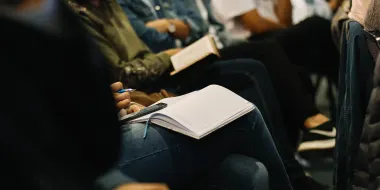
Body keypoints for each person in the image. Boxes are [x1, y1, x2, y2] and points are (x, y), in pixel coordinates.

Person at [118, 0, 336, 150]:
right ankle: (311, 126)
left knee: (287, 57)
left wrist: (171, 26)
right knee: (263, 56)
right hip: (172, 66)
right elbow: (151, 41)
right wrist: (176, 29)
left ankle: (306, 140)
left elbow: (196, 25)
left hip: (200, 50)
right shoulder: (120, 5)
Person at [211, 0, 340, 82]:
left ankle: (348, 91)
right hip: (251, 43)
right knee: (315, 26)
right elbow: (257, 25)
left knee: (320, 47)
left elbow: (286, 21)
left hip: (276, 35)